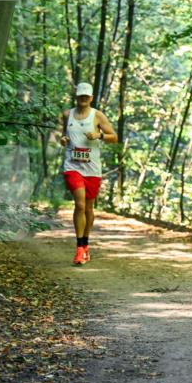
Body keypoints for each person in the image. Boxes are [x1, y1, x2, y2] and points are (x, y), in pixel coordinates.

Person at [58, 82, 117, 265]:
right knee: (80, 204)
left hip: (92, 168)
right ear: (76, 96)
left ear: (91, 98)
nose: (83, 99)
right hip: (72, 166)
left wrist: (99, 135)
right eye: (80, 96)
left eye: (86, 96)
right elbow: (61, 135)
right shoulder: (67, 115)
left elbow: (114, 137)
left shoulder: (97, 115)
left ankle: (85, 246)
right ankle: (78, 248)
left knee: (89, 208)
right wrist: (62, 139)